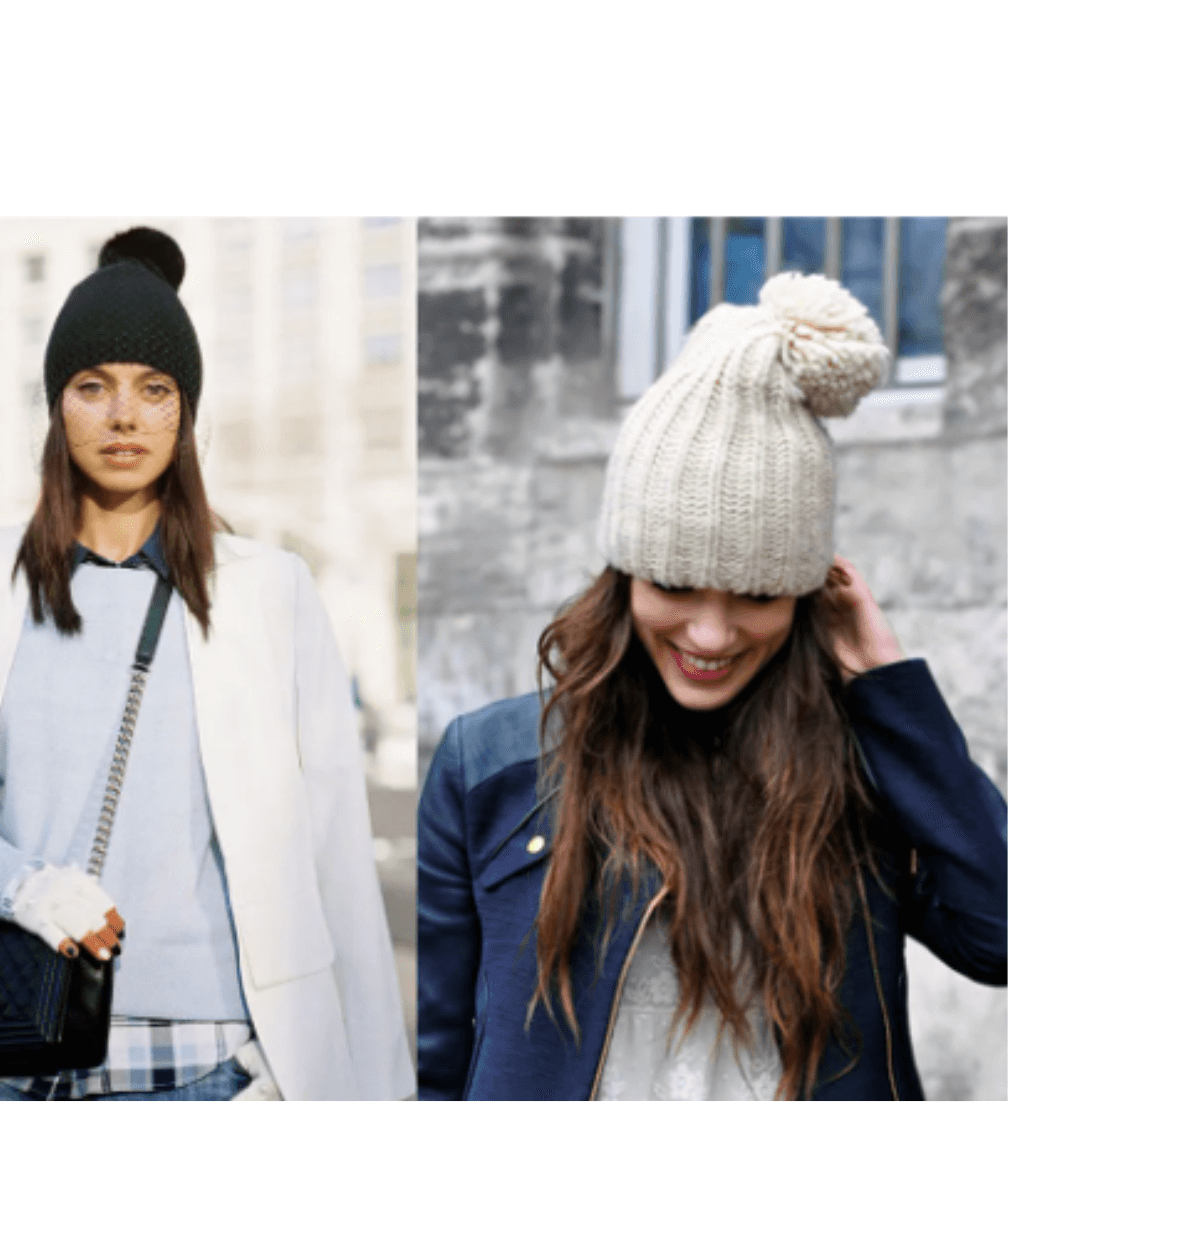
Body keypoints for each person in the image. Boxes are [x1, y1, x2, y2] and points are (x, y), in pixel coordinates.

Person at [0, 227, 413, 1101]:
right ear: (58, 406)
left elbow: (327, 840)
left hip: (211, 1063)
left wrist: (350, 1084)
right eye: (92, 387)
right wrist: (24, 887)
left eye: (155, 389)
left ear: (186, 412)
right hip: (11, 1042)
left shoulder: (268, 592)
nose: (124, 416)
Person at [417, 273, 1006, 1101]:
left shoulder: (862, 766)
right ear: (623, 577)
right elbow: (437, 1055)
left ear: (807, 595)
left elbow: (1005, 938)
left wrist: (892, 691)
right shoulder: (489, 763)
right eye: (677, 585)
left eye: (759, 595)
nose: (711, 635)